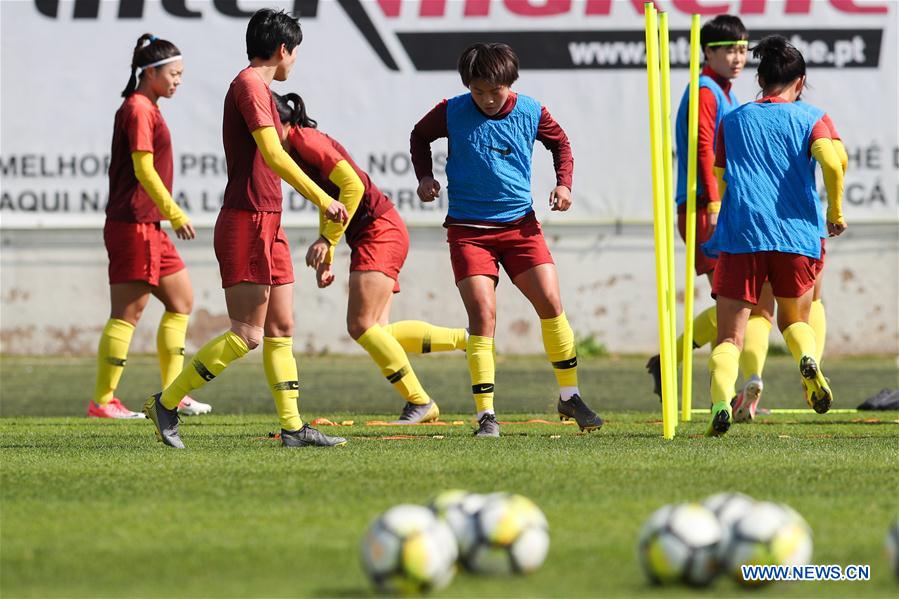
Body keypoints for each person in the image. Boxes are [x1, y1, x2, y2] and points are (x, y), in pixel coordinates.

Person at [143, 9, 349, 448]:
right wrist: (323, 198)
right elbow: (274, 156)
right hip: (246, 220)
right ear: (282, 50)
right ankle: (167, 403)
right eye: (295, 54)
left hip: (268, 219)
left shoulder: (260, 88)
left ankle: (293, 429)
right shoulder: (250, 86)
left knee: (281, 327)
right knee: (247, 335)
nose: (295, 62)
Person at [410, 43, 603, 437]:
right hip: (468, 232)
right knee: (483, 316)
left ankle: (570, 396)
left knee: (551, 303)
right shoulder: (452, 109)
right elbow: (419, 136)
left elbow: (561, 144)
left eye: (493, 91)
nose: (486, 99)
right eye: (477, 91)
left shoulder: (532, 110)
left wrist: (564, 185)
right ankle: (486, 416)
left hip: (521, 227)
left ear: (509, 83)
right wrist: (424, 177)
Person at [272, 93, 468, 423]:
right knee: (379, 331)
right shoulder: (299, 143)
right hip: (377, 229)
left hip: (379, 230)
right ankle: (468, 339)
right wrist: (329, 252)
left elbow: (352, 186)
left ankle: (421, 402)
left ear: (282, 121)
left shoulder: (303, 140)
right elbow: (333, 200)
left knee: (360, 325)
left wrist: (327, 239)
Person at [703, 35, 846, 436]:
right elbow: (833, 166)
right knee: (793, 319)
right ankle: (808, 361)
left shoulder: (733, 120)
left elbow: (719, 177)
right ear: (799, 82)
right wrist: (834, 212)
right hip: (797, 235)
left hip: (742, 235)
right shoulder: (811, 117)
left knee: (730, 335)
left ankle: (720, 404)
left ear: (760, 79)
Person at [646, 15, 773, 423]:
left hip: (723, 206)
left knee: (741, 305)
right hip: (705, 206)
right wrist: (716, 204)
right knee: (737, 305)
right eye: (729, 50)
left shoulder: (723, 91)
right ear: (708, 53)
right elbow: (702, 149)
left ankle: (674, 363)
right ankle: (715, 385)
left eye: (742, 49)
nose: (738, 58)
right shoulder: (705, 91)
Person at [90, 33, 211, 420]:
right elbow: (143, 169)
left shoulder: (149, 107)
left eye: (180, 74)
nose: (178, 80)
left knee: (181, 301)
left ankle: (173, 395)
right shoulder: (138, 109)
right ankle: (103, 401)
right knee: (128, 312)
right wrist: (174, 213)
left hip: (149, 226)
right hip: (135, 224)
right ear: (151, 72)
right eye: (173, 74)